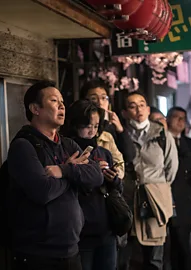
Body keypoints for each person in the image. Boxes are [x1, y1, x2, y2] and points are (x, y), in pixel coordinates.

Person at [7, 80, 103, 270]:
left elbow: (96, 176)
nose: (61, 106)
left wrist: (64, 170)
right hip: (38, 254)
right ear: (35, 108)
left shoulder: (68, 144)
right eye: (53, 101)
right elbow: (43, 191)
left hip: (71, 248)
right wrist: (73, 173)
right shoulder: (23, 146)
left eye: (62, 101)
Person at [119, 91, 179, 270]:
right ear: (124, 112)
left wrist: (157, 186)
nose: (139, 109)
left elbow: (171, 167)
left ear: (147, 107)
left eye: (142, 104)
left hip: (155, 200)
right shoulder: (120, 135)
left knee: (154, 257)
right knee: (124, 255)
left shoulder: (161, 133)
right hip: (128, 199)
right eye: (132, 105)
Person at [60, 99, 122, 270]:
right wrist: (87, 172)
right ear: (75, 124)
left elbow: (117, 190)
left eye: (96, 126)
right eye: (87, 125)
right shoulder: (66, 152)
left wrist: (113, 179)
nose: (92, 131)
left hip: (106, 231)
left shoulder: (103, 153)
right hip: (81, 233)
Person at [164, 107, 191, 270]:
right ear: (168, 119)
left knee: (183, 245)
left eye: (183, 118)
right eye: (176, 117)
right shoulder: (161, 140)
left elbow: (188, 166)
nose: (180, 121)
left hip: (182, 202)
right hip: (162, 197)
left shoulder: (188, 144)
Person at [80, 81, 136, 177]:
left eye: (104, 98)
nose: (100, 102)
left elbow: (129, 156)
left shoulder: (113, 126)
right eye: (93, 98)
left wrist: (120, 130)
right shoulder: (81, 127)